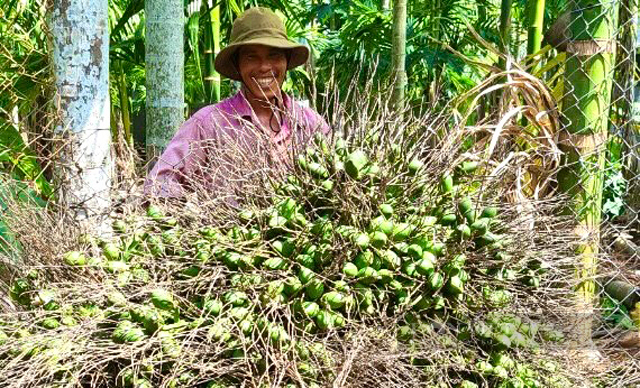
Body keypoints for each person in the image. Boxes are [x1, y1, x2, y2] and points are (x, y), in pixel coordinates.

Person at [144, 7, 330, 198]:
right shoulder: (208, 124)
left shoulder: (311, 125)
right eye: (251, 57)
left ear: (286, 60)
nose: (264, 67)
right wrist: (193, 213)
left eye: (274, 55)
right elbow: (158, 185)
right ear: (237, 65)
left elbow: (338, 180)